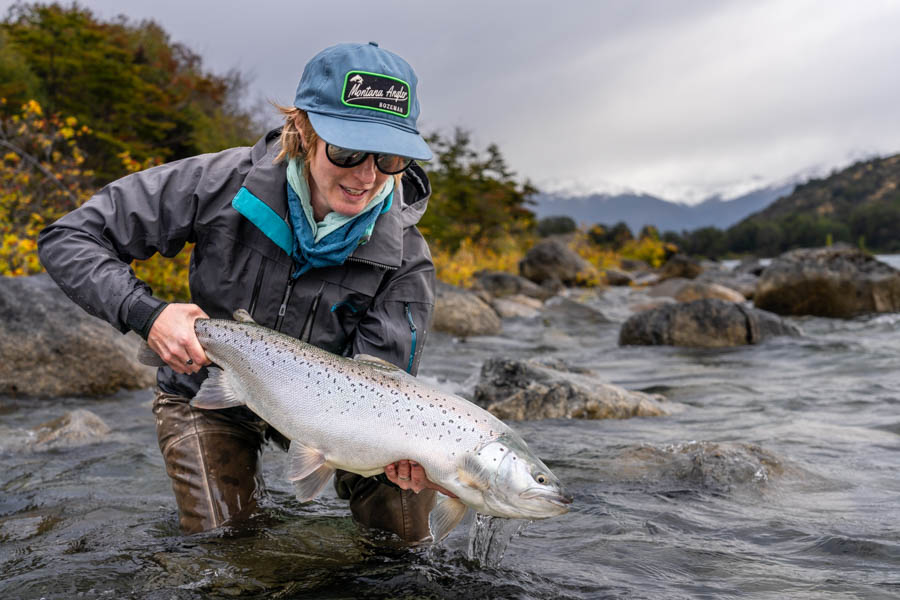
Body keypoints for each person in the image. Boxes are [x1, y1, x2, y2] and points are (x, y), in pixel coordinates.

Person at [37, 42, 447, 542]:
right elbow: (71, 237)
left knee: (403, 544)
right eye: (347, 150)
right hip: (207, 386)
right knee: (226, 550)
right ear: (302, 130)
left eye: (390, 158)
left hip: (334, 415)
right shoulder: (216, 183)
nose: (367, 175)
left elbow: (381, 386)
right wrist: (148, 315)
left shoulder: (407, 256)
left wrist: (404, 455)